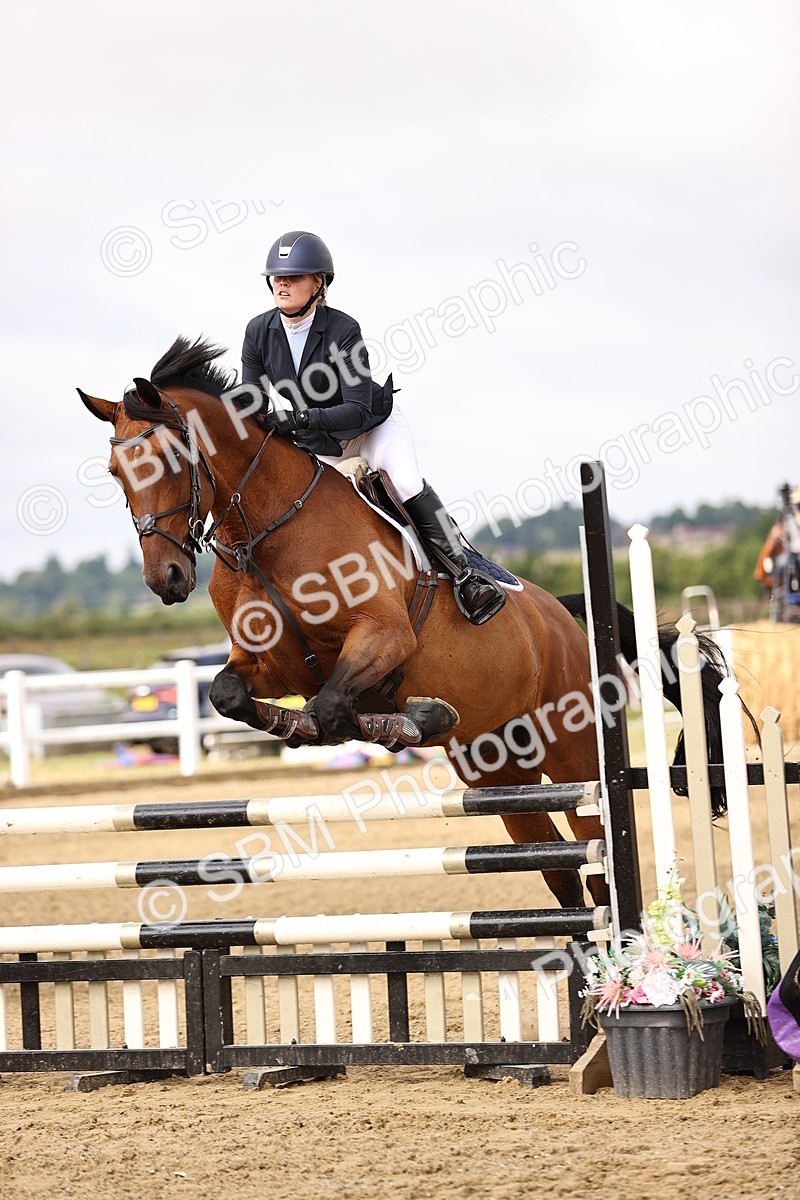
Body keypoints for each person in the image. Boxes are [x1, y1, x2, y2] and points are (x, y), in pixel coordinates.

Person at [241, 230, 505, 625]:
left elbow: (355, 407)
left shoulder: (343, 330)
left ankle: (465, 574)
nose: (282, 283)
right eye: (277, 277)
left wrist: (297, 419)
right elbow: (251, 398)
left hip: (370, 429)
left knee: (405, 483)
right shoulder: (258, 332)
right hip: (321, 443)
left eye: (293, 277)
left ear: (318, 284)